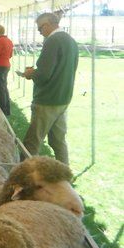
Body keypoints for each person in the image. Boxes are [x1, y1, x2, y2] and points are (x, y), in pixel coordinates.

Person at [21, 13, 78, 166]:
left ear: (48, 24)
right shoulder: (71, 41)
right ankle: (64, 174)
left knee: (32, 142)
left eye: (40, 28)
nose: (40, 31)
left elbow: (44, 75)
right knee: (58, 141)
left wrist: (30, 73)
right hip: (63, 98)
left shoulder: (52, 41)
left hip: (47, 99)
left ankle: (24, 177)